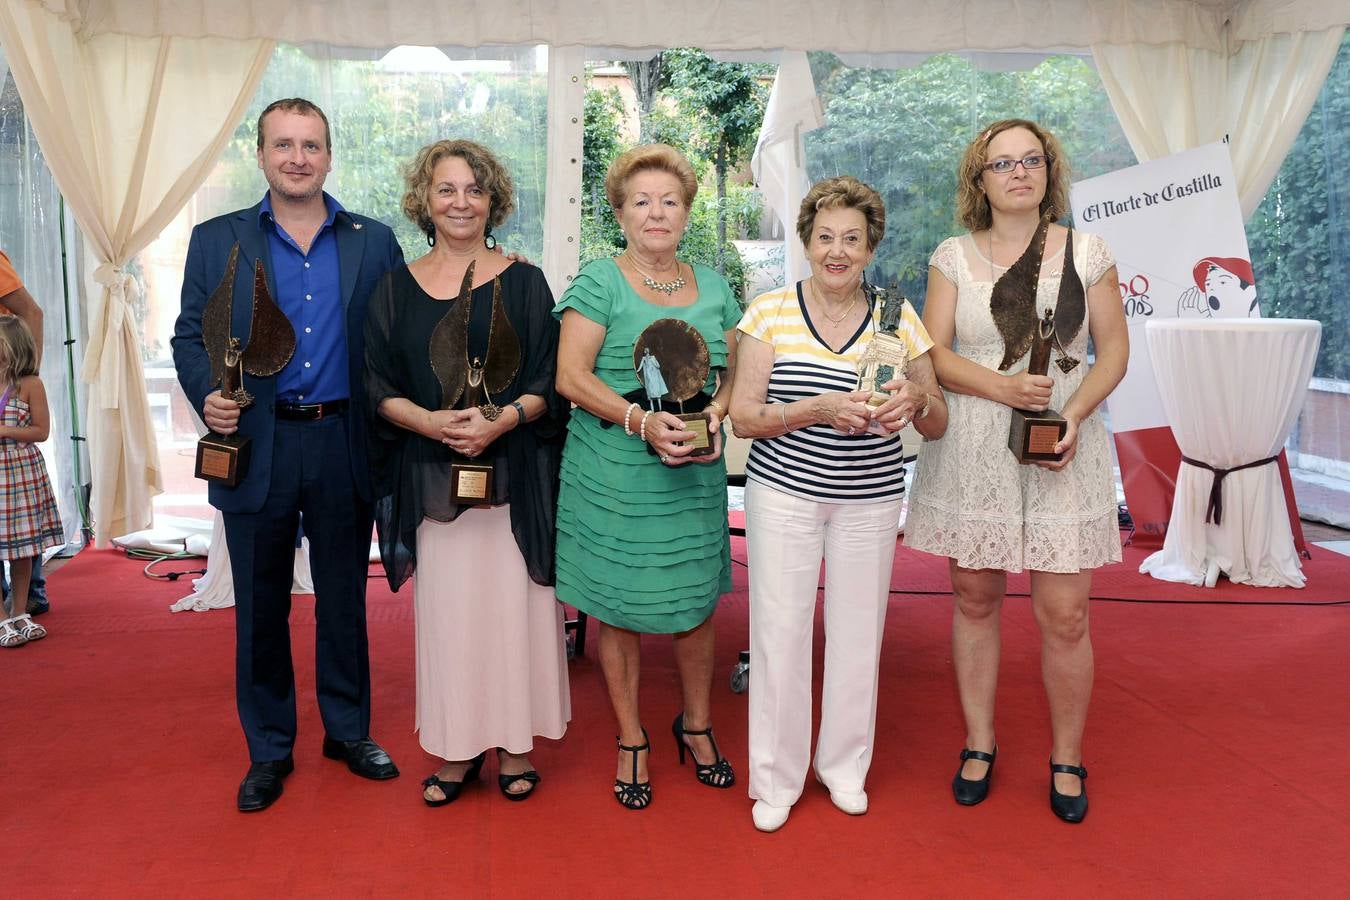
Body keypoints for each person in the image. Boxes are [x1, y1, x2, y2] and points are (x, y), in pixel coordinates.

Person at [172, 98, 404, 812]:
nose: (297, 157)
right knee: (261, 608)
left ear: (330, 156)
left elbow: (405, 323)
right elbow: (187, 337)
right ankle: (269, 749)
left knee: (343, 602)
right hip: (256, 445)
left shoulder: (373, 240)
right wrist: (210, 392)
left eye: (311, 145)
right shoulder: (217, 241)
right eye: (283, 144)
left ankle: (347, 731)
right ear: (262, 154)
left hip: (343, 442)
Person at [905, 119, 1128, 823]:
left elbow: (1114, 351)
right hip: (973, 446)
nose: (1018, 172)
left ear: (1048, 171)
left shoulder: (1089, 251)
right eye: (1002, 164)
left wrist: (1075, 415)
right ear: (981, 179)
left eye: (1031, 160)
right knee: (974, 597)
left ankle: (1067, 755)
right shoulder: (951, 255)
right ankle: (979, 741)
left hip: (1064, 444)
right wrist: (1000, 388)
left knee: (1066, 616)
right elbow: (932, 354)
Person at [728, 176, 948, 832]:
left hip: (871, 501)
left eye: (852, 239)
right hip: (784, 496)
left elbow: (937, 420)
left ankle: (845, 768)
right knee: (779, 636)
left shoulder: (896, 318)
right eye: (825, 237)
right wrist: (818, 408)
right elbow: (742, 418)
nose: (837, 250)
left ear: (871, 247)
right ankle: (775, 778)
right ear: (806, 241)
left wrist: (918, 402)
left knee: (858, 637)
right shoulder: (769, 312)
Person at [364, 139, 570, 806]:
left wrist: (503, 419)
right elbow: (372, 382)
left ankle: (513, 744)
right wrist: (430, 422)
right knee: (452, 619)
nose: (460, 202)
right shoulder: (393, 289)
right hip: (432, 479)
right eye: (446, 189)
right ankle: (456, 749)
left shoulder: (527, 281)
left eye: (473, 190)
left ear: (493, 201)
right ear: (425, 199)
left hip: (512, 475)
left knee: (514, 614)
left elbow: (548, 381)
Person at [554, 144, 739, 810]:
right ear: (621, 212)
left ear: (687, 210)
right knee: (620, 608)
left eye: (669, 200)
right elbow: (569, 378)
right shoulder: (599, 281)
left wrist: (716, 413)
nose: (656, 212)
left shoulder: (716, 287)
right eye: (641, 201)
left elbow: (734, 371)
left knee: (694, 605)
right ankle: (631, 737)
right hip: (614, 470)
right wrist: (640, 422)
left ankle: (696, 724)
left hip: (692, 473)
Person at [0, 316, 61, 648]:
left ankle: (19, 612)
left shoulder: (30, 384)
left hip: (21, 472)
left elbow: (42, 431)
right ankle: (1, 620)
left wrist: (6, 430)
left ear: (11, 347)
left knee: (22, 551)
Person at [0, 249, 49, 618]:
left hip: (11, 384)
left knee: (20, 516)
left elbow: (30, 311)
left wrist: (24, 379)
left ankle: (26, 599)